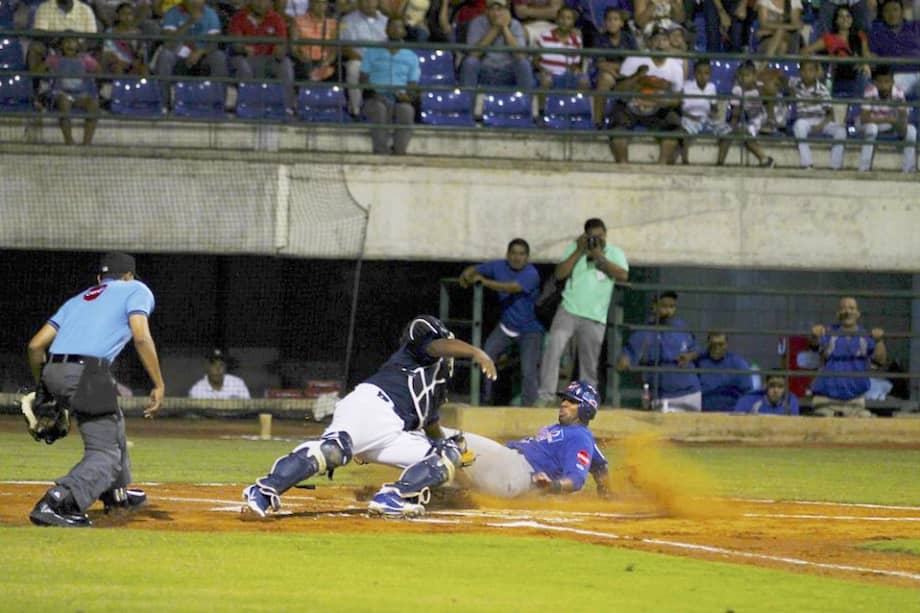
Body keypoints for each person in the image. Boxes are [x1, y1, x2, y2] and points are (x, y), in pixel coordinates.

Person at [242, 315, 497, 518]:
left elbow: (435, 434)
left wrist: (464, 482)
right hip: (371, 407)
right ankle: (263, 491)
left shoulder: (433, 394)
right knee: (333, 452)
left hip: (391, 433)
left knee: (448, 453)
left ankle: (393, 497)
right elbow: (437, 344)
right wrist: (478, 353)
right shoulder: (415, 353)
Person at [25, 252, 165, 527]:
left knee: (114, 425)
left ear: (100, 278)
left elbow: (35, 346)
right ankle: (58, 501)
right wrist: (158, 383)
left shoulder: (79, 299)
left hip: (54, 368)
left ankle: (116, 495)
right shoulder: (135, 288)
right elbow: (141, 335)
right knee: (105, 453)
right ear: (128, 275)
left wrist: (44, 388)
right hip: (88, 373)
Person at [379, 381, 609, 515]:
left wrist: (553, 486)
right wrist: (606, 491)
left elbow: (577, 479)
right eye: (564, 399)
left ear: (586, 410)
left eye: (572, 401)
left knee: (450, 442)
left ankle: (381, 440)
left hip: (513, 471)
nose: (564, 403)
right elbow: (599, 465)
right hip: (505, 463)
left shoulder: (580, 437)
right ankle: (434, 488)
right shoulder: (580, 437)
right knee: (447, 448)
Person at [536, 218, 629, 405]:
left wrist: (599, 256)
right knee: (553, 350)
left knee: (589, 363)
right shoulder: (575, 248)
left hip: (595, 316)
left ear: (606, 234)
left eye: (600, 236)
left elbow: (623, 274)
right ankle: (545, 396)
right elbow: (560, 274)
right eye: (593, 236)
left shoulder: (614, 252)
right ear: (585, 235)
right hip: (568, 309)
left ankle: (587, 400)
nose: (597, 239)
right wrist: (580, 250)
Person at [458, 238, 543, 406]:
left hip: (530, 329)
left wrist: (484, 282)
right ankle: (485, 400)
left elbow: (513, 287)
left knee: (528, 370)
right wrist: (466, 275)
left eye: (521, 254)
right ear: (507, 254)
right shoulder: (499, 265)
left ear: (527, 257)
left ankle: (529, 408)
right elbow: (474, 270)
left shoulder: (531, 273)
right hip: (505, 326)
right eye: (513, 253)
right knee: (484, 357)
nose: (517, 258)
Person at [608, 25, 684, 164]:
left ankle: (661, 167)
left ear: (669, 43)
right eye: (656, 40)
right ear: (649, 43)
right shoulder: (634, 59)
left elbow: (677, 99)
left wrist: (661, 102)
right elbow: (618, 90)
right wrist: (637, 75)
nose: (660, 44)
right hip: (631, 106)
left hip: (657, 109)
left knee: (674, 128)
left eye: (664, 40)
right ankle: (623, 167)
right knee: (617, 127)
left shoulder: (675, 67)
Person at [616, 290, 702, 412]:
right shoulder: (644, 332)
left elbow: (696, 349)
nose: (668, 311)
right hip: (663, 397)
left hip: (691, 392)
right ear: (654, 306)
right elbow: (627, 355)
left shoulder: (682, 326)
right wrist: (624, 360)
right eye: (664, 306)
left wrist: (689, 356)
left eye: (672, 306)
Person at [809, 296, 887, 417]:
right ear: (838, 314)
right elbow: (815, 346)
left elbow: (879, 361)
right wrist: (814, 335)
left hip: (855, 403)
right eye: (843, 308)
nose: (847, 312)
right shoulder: (829, 332)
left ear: (858, 314)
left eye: (851, 308)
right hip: (826, 402)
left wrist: (879, 341)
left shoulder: (865, 337)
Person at [360, 17, 421, 155]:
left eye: (399, 27)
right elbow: (362, 78)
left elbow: (412, 84)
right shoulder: (372, 51)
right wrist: (374, 92)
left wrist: (407, 96)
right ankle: (381, 151)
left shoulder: (411, 56)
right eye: (392, 26)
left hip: (399, 98)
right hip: (375, 97)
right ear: (386, 30)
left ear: (404, 32)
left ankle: (399, 150)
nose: (395, 30)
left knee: (406, 111)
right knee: (379, 109)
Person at [154, 0, 229, 103]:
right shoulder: (172, 13)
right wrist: (189, 22)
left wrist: (200, 52)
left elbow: (214, 43)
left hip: (202, 57)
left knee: (219, 57)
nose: (195, 2)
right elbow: (168, 42)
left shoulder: (211, 14)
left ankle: (218, 103)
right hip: (179, 56)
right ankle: (163, 103)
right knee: (165, 55)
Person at [228, 0, 295, 112]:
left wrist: (280, 50)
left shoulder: (276, 19)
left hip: (268, 59)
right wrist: (243, 48)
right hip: (245, 59)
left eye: (264, 1)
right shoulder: (239, 17)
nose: (260, 4)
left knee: (286, 64)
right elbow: (235, 45)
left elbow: (282, 45)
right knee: (242, 65)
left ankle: (287, 107)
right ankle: (248, 106)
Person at [460, 0, 534, 91]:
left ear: (507, 11)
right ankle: (467, 100)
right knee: (470, 62)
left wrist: (505, 28)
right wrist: (495, 28)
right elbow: (474, 53)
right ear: (486, 11)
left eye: (500, 9)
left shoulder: (515, 25)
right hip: (485, 70)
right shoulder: (477, 23)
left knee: (523, 64)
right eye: (492, 9)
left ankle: (527, 101)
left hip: (508, 71)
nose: (496, 13)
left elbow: (520, 55)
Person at [857, 64, 917, 173]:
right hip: (867, 123)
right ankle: (864, 169)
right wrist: (889, 120)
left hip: (888, 124)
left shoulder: (898, 92)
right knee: (872, 129)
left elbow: (903, 117)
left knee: (911, 131)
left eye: (887, 82)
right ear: (875, 82)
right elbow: (864, 118)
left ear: (892, 82)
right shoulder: (870, 91)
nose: (883, 85)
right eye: (880, 82)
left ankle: (908, 170)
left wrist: (901, 125)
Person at [801, 5, 871, 98]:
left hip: (856, 73)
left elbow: (866, 55)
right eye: (841, 16)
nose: (845, 19)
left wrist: (864, 64)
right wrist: (818, 64)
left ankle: (859, 102)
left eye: (848, 16)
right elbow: (804, 51)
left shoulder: (860, 35)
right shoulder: (830, 38)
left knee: (865, 71)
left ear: (852, 19)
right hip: (836, 74)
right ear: (836, 20)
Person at [790, 59, 847, 170]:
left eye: (810, 70)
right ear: (800, 72)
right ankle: (807, 163)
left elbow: (830, 113)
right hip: (804, 120)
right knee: (798, 125)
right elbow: (780, 77)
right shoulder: (795, 84)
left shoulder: (823, 90)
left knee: (841, 131)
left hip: (821, 121)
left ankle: (835, 166)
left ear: (816, 72)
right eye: (804, 71)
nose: (807, 74)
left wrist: (821, 125)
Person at [44, 35, 101, 146]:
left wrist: (92, 68)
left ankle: (87, 143)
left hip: (81, 95)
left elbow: (99, 71)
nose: (70, 44)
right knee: (64, 103)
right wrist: (47, 63)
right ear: (60, 45)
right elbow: (38, 70)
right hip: (61, 94)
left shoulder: (85, 59)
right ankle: (69, 140)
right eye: (66, 42)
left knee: (93, 104)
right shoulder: (55, 59)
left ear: (78, 45)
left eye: (73, 42)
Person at [719, 61, 776, 167]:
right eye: (741, 75)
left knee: (744, 132)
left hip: (761, 116)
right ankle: (720, 163)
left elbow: (772, 98)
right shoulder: (737, 90)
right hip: (749, 118)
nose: (744, 78)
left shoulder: (760, 87)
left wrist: (771, 119)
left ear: (754, 76)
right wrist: (731, 127)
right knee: (727, 133)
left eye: (747, 75)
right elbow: (736, 112)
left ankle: (764, 159)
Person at [340, 0, 389, 116]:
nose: (368, 3)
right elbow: (344, 47)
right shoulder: (347, 20)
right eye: (365, 1)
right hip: (358, 59)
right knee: (353, 68)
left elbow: (391, 45)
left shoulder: (386, 21)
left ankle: (391, 109)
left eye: (372, 1)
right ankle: (355, 109)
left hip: (381, 60)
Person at [679, 59, 732, 163]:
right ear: (695, 73)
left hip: (706, 119)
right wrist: (691, 117)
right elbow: (680, 109)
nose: (703, 76)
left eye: (706, 73)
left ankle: (720, 163)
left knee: (728, 132)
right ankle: (685, 161)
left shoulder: (711, 87)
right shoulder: (687, 86)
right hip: (690, 118)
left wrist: (714, 112)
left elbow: (713, 107)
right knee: (683, 132)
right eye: (699, 73)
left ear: (710, 74)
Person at [590, 8, 636, 124]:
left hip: (626, 73)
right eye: (609, 19)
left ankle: (628, 119)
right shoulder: (599, 39)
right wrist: (616, 69)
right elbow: (601, 63)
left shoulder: (628, 38)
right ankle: (598, 120)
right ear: (605, 22)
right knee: (605, 79)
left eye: (616, 19)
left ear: (621, 23)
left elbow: (634, 60)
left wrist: (621, 69)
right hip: (607, 73)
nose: (612, 22)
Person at [869, 0, 920, 101]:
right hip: (895, 76)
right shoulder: (876, 31)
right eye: (887, 11)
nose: (892, 14)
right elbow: (873, 57)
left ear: (902, 12)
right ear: (882, 14)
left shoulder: (916, 26)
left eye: (895, 10)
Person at [535, 7, 590, 94]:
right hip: (547, 73)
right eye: (562, 17)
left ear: (573, 22)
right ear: (557, 20)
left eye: (568, 18)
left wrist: (576, 70)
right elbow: (535, 61)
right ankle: (542, 108)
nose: (564, 21)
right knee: (546, 80)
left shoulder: (576, 40)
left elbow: (576, 65)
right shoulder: (544, 36)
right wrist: (543, 69)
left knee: (584, 80)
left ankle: (579, 106)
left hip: (567, 75)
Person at [697, 331, 754, 412]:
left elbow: (748, 394)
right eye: (713, 344)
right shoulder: (699, 362)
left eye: (720, 344)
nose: (716, 348)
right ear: (707, 344)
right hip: (703, 413)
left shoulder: (738, 364)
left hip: (731, 414)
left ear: (727, 345)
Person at [291, 0, 339, 83]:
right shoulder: (297, 21)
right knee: (306, 71)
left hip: (325, 62)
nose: (320, 5)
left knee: (335, 71)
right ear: (310, 3)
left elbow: (334, 50)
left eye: (323, 3)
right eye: (317, 2)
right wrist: (303, 58)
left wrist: (326, 62)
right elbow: (293, 48)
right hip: (304, 62)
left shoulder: (332, 23)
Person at [102, 2, 151, 76]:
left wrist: (136, 62)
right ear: (117, 16)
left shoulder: (138, 33)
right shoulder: (110, 32)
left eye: (130, 14)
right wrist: (121, 63)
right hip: (117, 64)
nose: (127, 17)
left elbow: (142, 52)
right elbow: (108, 53)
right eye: (124, 14)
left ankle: (144, 87)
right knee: (118, 68)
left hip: (133, 64)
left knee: (144, 69)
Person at [733, 374, 800, 415]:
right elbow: (734, 423)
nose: (776, 390)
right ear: (765, 386)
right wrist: (750, 420)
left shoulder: (791, 401)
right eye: (772, 386)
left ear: (785, 389)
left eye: (780, 386)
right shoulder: (747, 400)